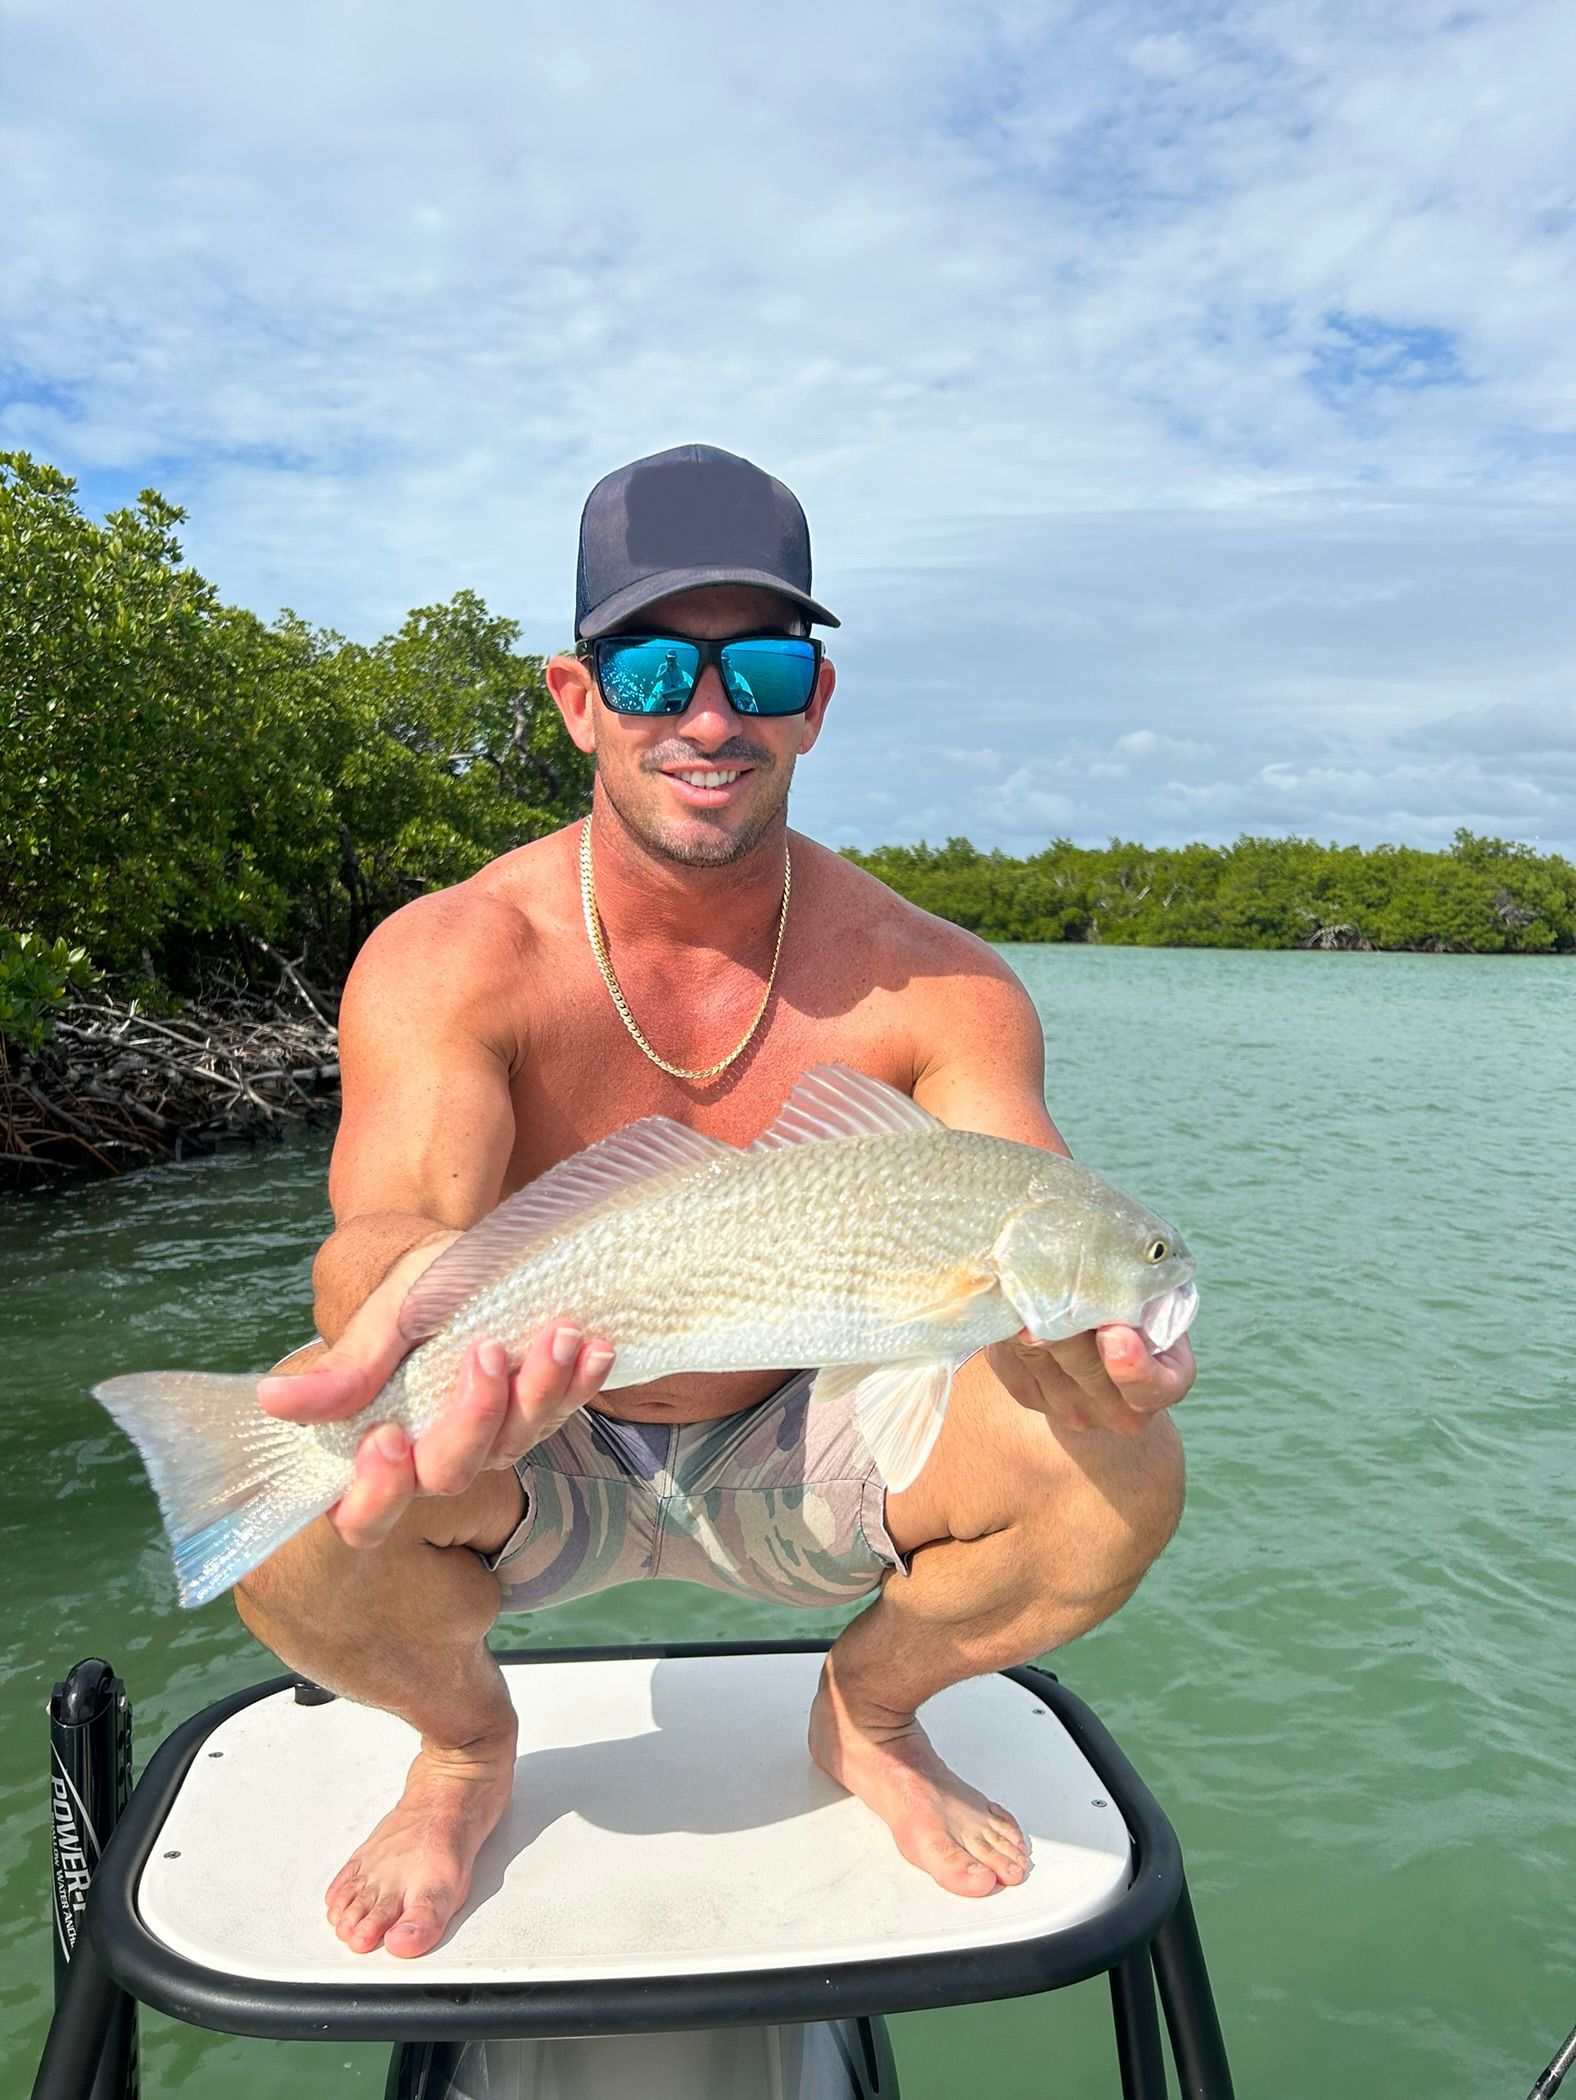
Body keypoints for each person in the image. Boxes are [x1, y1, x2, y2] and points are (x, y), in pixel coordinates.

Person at [241, 443, 1194, 1962]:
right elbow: (393, 1220)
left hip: (806, 1430)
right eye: (651, 666)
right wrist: (406, 1322)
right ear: (576, 699)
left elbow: (1020, 1200)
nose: (708, 717)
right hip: (537, 1431)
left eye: (758, 666)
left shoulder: (942, 980)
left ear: (814, 702)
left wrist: (1087, 1351)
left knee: (1122, 1467)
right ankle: (464, 1747)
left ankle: (868, 1714)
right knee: (291, 1484)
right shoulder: (450, 953)